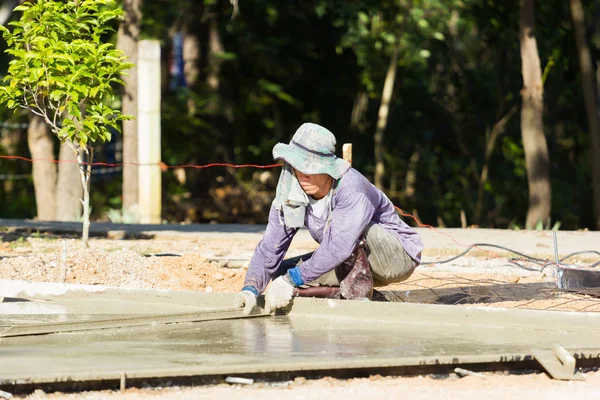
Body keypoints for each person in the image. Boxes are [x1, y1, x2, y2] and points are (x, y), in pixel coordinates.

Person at [234, 123, 424, 314]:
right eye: (298, 168)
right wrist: (250, 288)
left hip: (397, 256)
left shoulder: (351, 187)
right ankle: (343, 295)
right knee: (279, 273)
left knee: (332, 242)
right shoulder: (291, 189)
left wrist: (292, 280)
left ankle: (358, 306)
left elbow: (339, 245)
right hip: (350, 257)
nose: (303, 175)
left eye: (310, 169)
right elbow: (270, 248)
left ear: (327, 168)